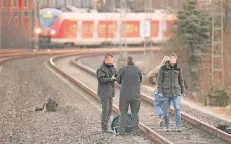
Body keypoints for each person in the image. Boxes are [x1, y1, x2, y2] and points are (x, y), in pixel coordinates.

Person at [157, 53, 186, 132]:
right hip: (166, 92)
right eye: (171, 60)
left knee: (177, 109)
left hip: (176, 92)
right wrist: (159, 91)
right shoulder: (162, 68)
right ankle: (167, 126)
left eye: (174, 61)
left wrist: (183, 90)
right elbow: (159, 81)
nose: (173, 62)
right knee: (166, 111)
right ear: (169, 60)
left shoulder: (178, 68)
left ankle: (178, 126)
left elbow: (181, 80)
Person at [116, 56, 142, 136]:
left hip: (124, 96)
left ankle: (121, 131)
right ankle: (135, 131)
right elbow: (140, 80)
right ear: (133, 61)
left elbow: (118, 81)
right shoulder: (138, 70)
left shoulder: (122, 69)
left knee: (123, 113)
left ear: (126, 62)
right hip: (135, 95)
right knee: (135, 113)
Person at [96, 53, 117, 133]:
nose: (111, 61)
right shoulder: (101, 69)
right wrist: (110, 79)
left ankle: (106, 126)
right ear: (106, 59)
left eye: (112, 59)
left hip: (110, 92)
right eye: (110, 59)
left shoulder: (112, 67)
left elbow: (116, 75)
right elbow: (101, 80)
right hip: (104, 92)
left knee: (110, 109)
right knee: (105, 109)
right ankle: (104, 128)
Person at [147, 56, 169, 127]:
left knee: (157, 105)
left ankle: (161, 115)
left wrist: (153, 82)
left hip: (159, 91)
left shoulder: (158, 68)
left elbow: (149, 75)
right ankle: (164, 121)